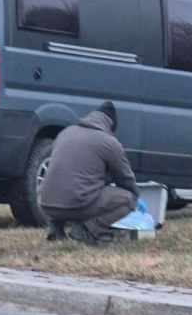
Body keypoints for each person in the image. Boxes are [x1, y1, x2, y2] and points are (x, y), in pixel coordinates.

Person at [39, 101, 144, 245]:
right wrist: (136, 197)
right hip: (75, 205)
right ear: (110, 125)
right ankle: (86, 230)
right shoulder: (108, 142)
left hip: (47, 204)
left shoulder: (65, 133)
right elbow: (124, 178)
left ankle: (56, 228)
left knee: (68, 188)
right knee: (128, 200)